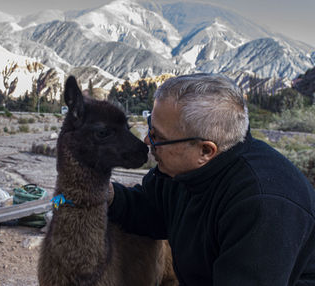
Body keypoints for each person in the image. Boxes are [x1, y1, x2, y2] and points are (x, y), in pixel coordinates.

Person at [108, 73, 315, 285]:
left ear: (206, 150)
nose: (147, 140)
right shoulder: (180, 171)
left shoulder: (263, 205)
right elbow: (152, 210)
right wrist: (108, 196)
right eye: (150, 127)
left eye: (158, 137)